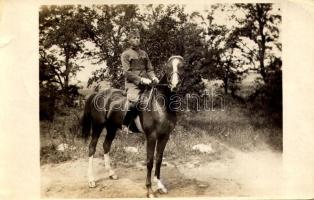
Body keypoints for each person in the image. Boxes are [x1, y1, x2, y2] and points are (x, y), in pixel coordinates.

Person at [121, 29, 159, 132]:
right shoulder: (125, 54)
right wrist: (141, 80)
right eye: (134, 38)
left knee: (158, 99)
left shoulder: (144, 53)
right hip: (133, 84)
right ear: (129, 40)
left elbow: (149, 69)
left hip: (147, 83)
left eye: (138, 37)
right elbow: (127, 73)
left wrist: (154, 77)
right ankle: (125, 125)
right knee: (135, 102)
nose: (136, 40)